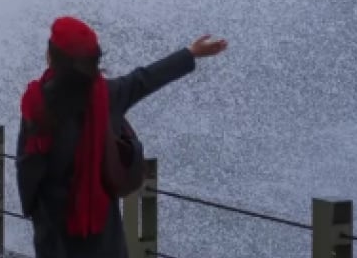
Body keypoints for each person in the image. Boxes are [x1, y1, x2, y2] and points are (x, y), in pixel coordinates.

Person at [17, 16, 227, 258]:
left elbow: (28, 166)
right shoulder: (107, 95)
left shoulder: (37, 103)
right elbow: (144, 79)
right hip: (101, 225)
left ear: (52, 57)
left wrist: (35, 209)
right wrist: (191, 53)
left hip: (53, 225)